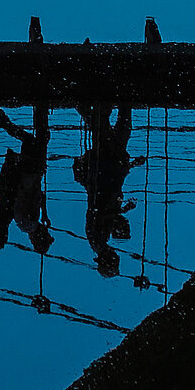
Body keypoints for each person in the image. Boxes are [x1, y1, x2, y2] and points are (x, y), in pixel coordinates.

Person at [74, 104, 145, 278]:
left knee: (111, 129)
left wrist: (118, 211)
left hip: (106, 172)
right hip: (109, 172)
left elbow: (100, 210)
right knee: (112, 130)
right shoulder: (99, 242)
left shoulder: (98, 240)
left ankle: (100, 100)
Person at [0, 104, 54, 254]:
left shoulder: (28, 223)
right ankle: (36, 110)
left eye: (47, 234)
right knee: (34, 138)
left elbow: (27, 195)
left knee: (34, 138)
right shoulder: (29, 223)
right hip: (29, 172)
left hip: (29, 172)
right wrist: (45, 213)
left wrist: (28, 170)